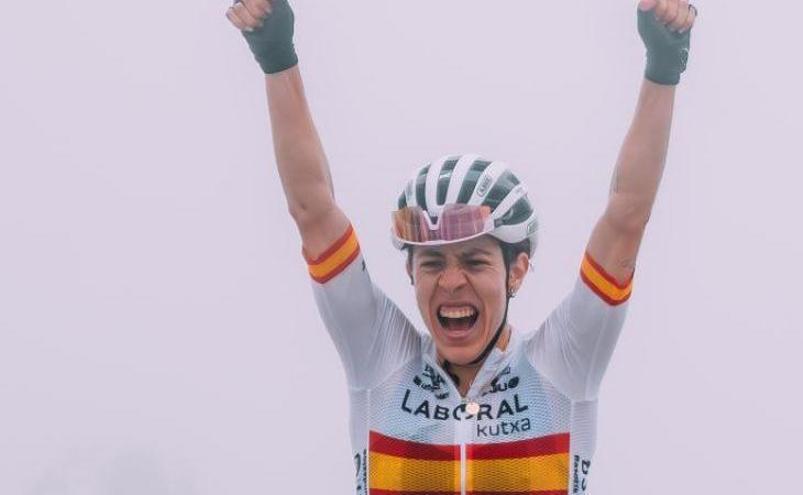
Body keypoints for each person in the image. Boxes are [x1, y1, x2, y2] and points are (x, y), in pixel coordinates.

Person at [225, 0, 697, 492]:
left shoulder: (562, 365)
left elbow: (626, 218)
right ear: (410, 272)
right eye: (432, 262)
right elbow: (313, 210)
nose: (451, 281)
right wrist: (276, 57)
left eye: (474, 260)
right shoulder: (379, 356)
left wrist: (663, 70)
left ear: (517, 270)